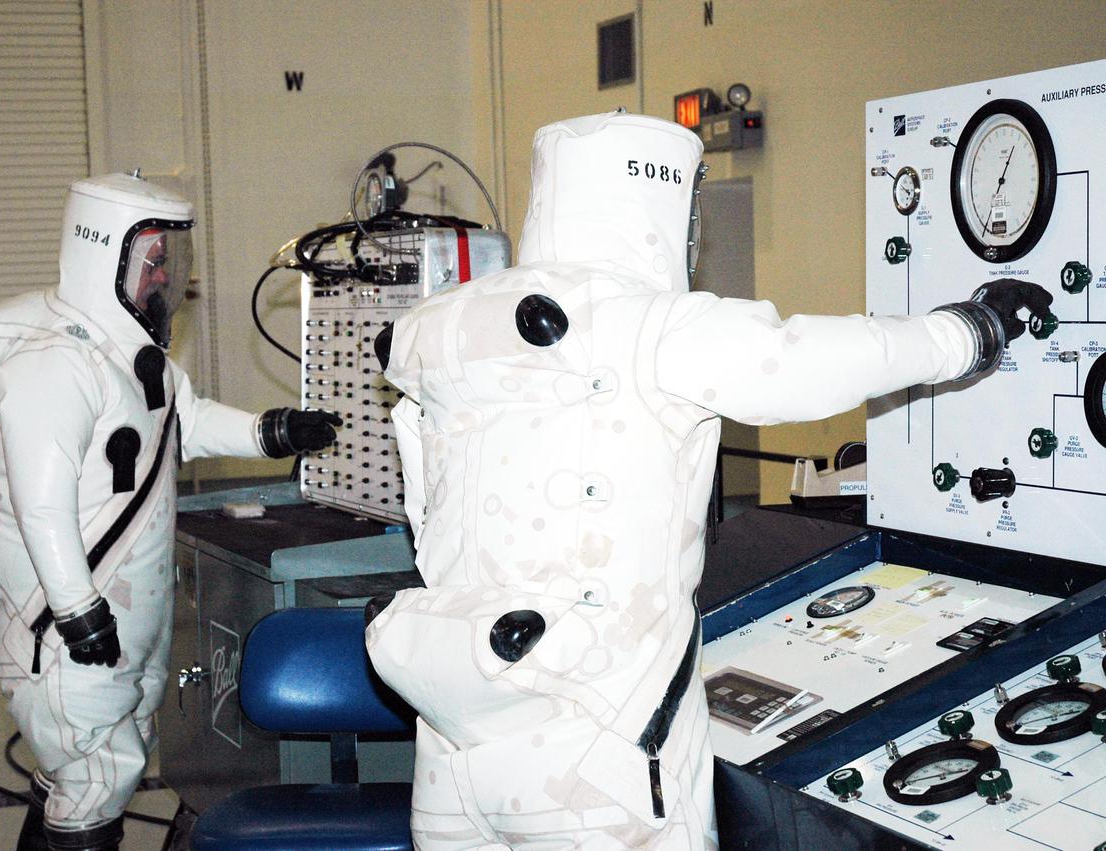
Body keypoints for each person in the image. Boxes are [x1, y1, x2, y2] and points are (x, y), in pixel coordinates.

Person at [363, 111, 1053, 849]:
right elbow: (806, 360)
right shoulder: (644, 326)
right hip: (596, 760)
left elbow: (426, 514)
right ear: (663, 204)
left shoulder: (445, 330)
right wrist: (971, 331)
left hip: (452, 744)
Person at [0, 171, 340, 851]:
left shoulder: (132, 359)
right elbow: (41, 506)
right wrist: (77, 611)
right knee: (95, 777)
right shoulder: (53, 366)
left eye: (170, 260)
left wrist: (272, 431)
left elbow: (184, 422)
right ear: (102, 254)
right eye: (153, 260)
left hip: (122, 619)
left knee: (92, 767)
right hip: (65, 627)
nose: (166, 277)